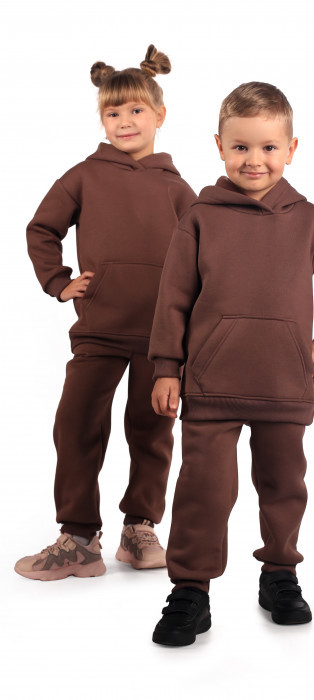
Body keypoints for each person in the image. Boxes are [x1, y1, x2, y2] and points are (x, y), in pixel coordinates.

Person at [148, 81, 314, 645]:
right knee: (203, 490)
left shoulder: (311, 220)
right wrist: (167, 367)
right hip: (210, 382)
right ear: (219, 146)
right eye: (241, 147)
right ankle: (190, 590)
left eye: (268, 147)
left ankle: (280, 574)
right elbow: (173, 297)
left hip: (284, 382)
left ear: (291, 148)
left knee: (284, 485)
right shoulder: (199, 217)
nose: (254, 160)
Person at [14, 45, 196, 581]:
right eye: (112, 112)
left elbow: (203, 259)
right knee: (75, 425)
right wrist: (59, 282)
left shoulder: (177, 188)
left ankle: (140, 529)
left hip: (160, 339)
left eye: (136, 110)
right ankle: (77, 539)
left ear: (160, 115)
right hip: (98, 330)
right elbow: (41, 229)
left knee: (152, 433)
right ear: (102, 120)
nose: (124, 121)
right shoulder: (84, 175)